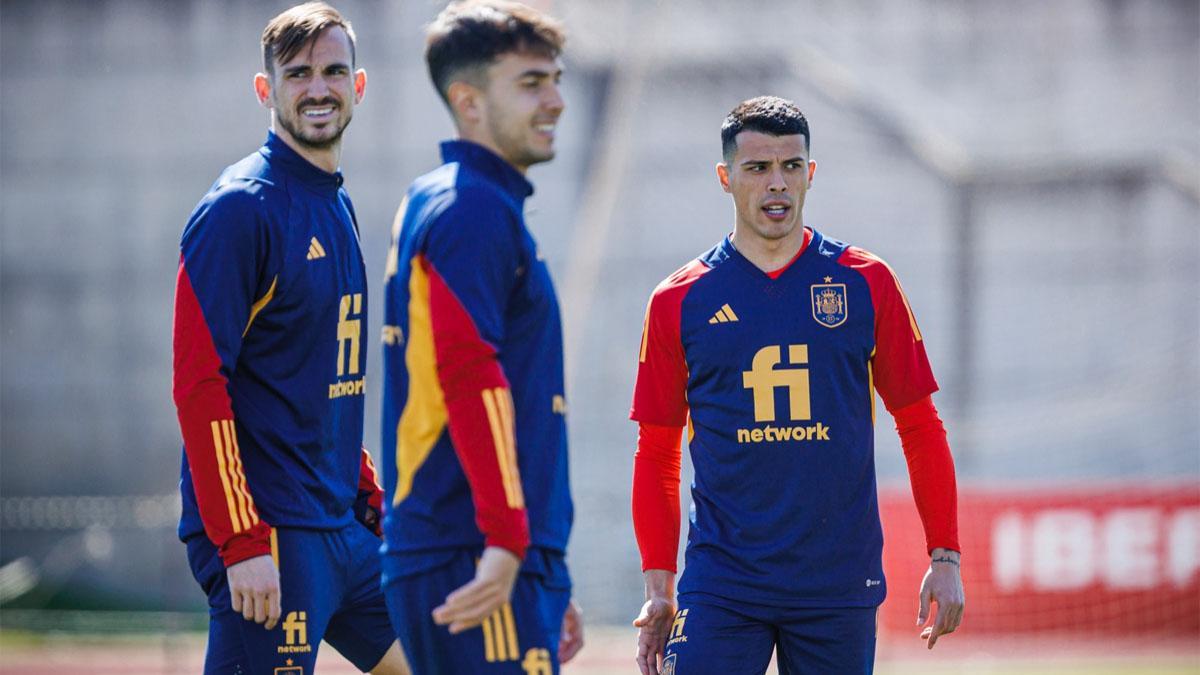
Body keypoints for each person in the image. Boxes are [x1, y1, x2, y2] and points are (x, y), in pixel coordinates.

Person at [629, 96, 965, 675]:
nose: (776, 184)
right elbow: (657, 452)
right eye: (757, 168)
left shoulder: (867, 282)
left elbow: (919, 425)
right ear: (726, 178)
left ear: (810, 173)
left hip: (837, 581)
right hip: (723, 582)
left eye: (790, 166)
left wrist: (946, 555)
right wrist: (660, 584)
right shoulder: (677, 300)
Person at [171, 3, 409, 672]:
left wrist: (369, 500)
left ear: (358, 86)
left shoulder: (336, 201)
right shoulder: (239, 209)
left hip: (339, 528)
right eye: (298, 73)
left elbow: (323, 385)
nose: (318, 88)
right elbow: (197, 386)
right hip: (270, 535)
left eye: (334, 71)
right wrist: (242, 541)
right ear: (265, 89)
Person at [379, 2, 583, 672]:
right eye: (531, 83)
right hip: (471, 548)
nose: (555, 100)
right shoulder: (472, 209)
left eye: (554, 79)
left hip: (490, 548)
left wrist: (541, 558)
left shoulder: (460, 199)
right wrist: (506, 540)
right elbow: (469, 376)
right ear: (467, 101)